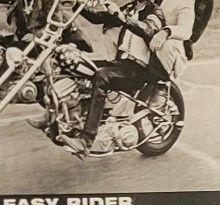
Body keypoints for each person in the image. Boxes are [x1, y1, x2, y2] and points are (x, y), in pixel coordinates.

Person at [76, 0, 211, 148]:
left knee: (102, 77)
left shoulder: (155, 10)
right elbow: (99, 17)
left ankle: (86, 140)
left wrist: (165, 31)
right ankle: (79, 119)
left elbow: (151, 29)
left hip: (141, 67)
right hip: (124, 61)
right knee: (84, 66)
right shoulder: (133, 7)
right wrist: (76, 4)